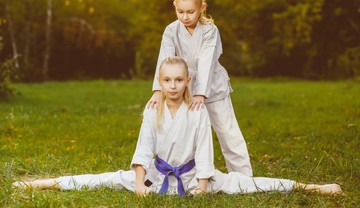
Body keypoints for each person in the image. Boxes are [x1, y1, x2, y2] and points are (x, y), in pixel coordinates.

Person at [13, 57, 342, 196]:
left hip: (192, 177)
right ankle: (44, 183)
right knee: (106, 180)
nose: (172, 86)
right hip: (157, 176)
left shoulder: (196, 109)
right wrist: (140, 184)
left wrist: (201, 184)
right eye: (167, 80)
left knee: (245, 184)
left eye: (178, 80)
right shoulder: (152, 107)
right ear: (160, 81)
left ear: (188, 81)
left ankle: (312, 187)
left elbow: (204, 148)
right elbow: (143, 148)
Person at [147, 0, 252, 176]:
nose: (185, 17)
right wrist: (158, 91)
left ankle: (243, 177)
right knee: (188, 134)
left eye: (190, 12)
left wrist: (201, 94)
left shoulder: (210, 30)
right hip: (182, 89)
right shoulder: (171, 31)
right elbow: (165, 61)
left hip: (212, 87)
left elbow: (206, 62)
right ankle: (192, 175)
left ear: (202, 8)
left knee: (228, 132)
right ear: (174, 7)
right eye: (180, 11)